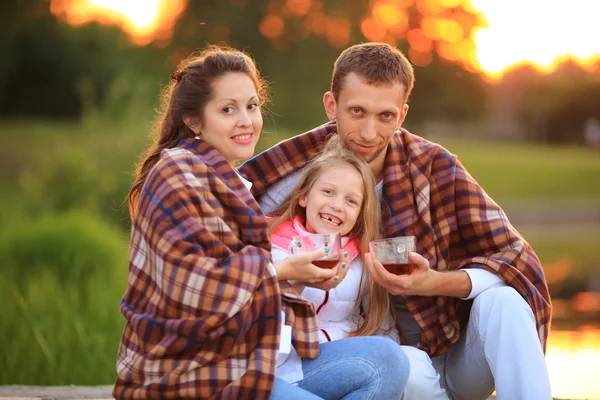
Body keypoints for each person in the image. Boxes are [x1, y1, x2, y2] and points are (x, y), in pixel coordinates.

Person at [240, 42, 553, 400]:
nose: (369, 133)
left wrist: (434, 282)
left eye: (385, 116)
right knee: (398, 365)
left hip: (454, 355)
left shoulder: (435, 169)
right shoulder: (293, 173)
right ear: (332, 106)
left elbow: (516, 259)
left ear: (402, 115)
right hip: (381, 362)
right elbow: (228, 244)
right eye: (356, 111)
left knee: (505, 300)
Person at [114, 45, 409, 400]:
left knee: (387, 360)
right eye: (228, 109)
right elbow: (196, 287)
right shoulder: (177, 172)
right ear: (193, 120)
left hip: (247, 359)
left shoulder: (229, 181)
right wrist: (283, 271)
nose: (247, 121)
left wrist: (297, 282)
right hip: (191, 372)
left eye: (251, 106)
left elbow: (248, 288)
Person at [268, 140, 402, 380]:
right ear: (304, 197)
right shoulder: (271, 246)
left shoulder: (362, 259)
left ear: (360, 214)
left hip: (344, 360)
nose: (337, 205)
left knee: (397, 362)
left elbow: (383, 328)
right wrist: (295, 282)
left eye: (351, 201)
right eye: (328, 192)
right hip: (283, 364)